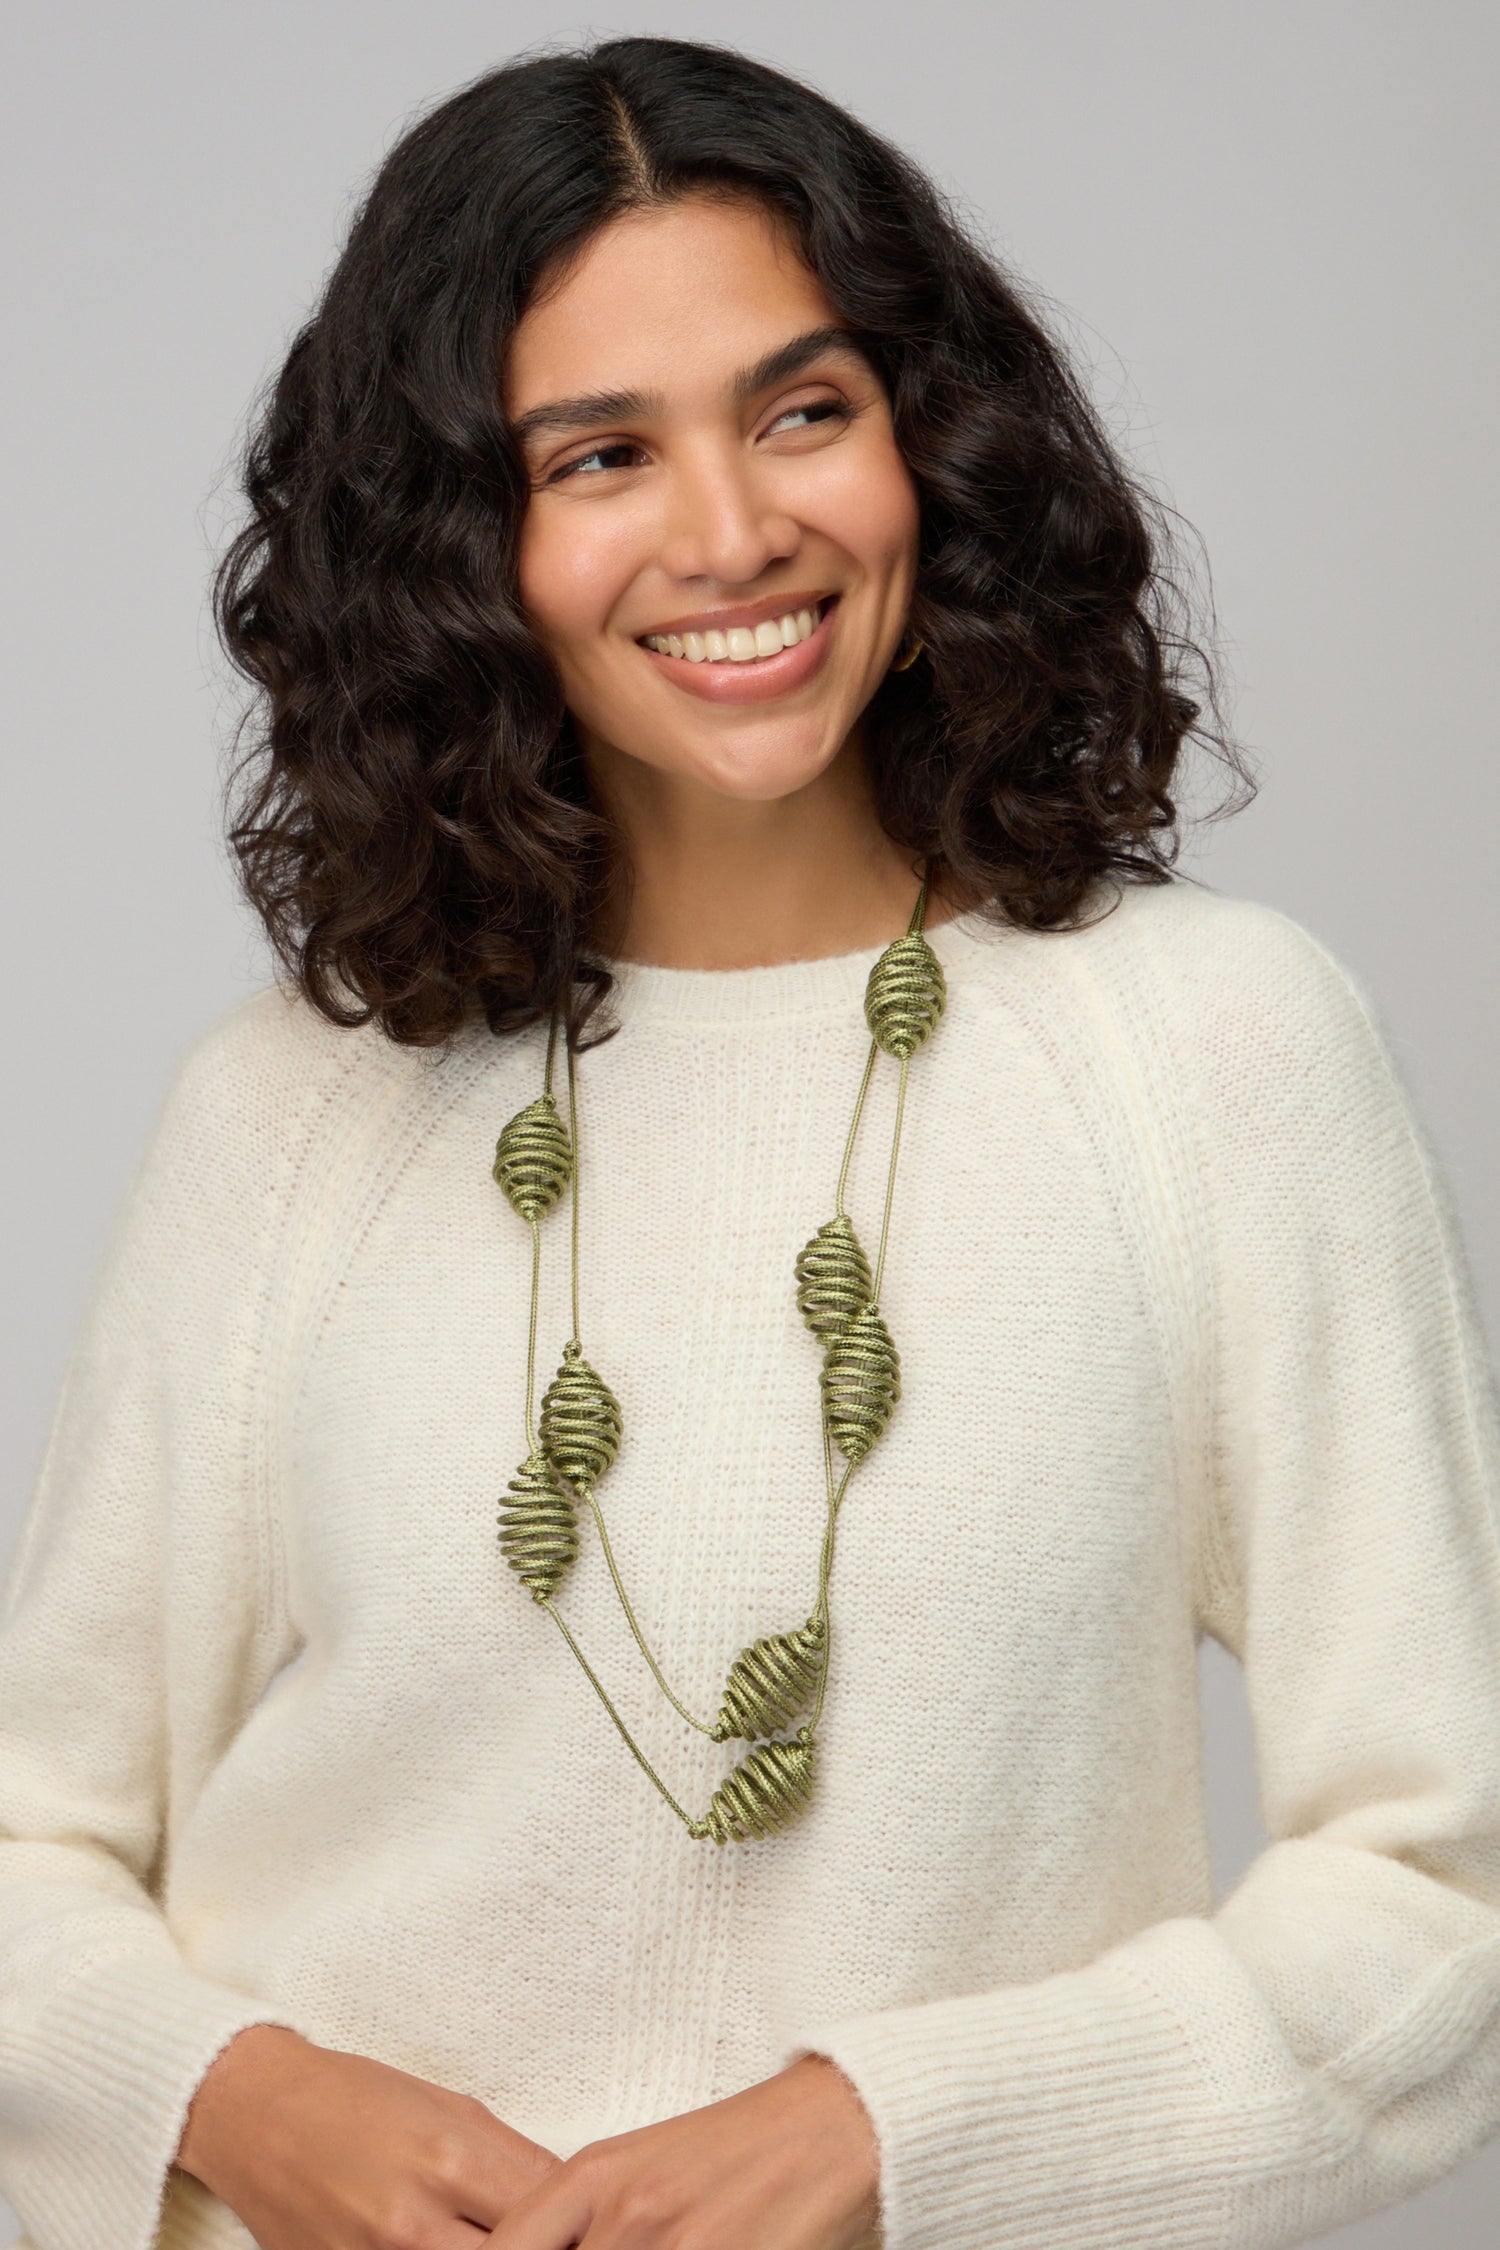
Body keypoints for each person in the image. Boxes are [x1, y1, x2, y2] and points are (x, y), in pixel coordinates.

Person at [2, 30, 1498, 2250]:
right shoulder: (295, 1106)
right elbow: (32, 1854)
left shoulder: (1214, 1053)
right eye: (600, 452)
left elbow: (1442, 1902)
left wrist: (898, 2136)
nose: (733, 533)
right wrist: (240, 2095)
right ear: (462, 544)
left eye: (804, 409)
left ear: (931, 439)